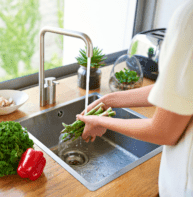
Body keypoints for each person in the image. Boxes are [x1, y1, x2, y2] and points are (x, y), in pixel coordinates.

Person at [76, 1, 193, 196]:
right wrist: (110, 100)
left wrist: (99, 119)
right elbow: (177, 90)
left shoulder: (189, 18)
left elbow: (164, 131)